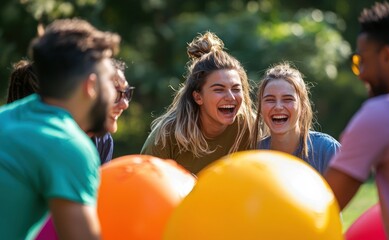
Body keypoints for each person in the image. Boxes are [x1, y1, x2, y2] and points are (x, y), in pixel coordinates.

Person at [0, 18, 120, 239]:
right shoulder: (67, 145)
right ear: (91, 86)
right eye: (110, 84)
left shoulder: (6, 118)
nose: (115, 95)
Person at [324, 2, 389, 239]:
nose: (360, 73)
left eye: (361, 61)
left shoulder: (385, 113)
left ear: (387, 56)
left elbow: (323, 204)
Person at [141, 31, 255, 175]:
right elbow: (143, 184)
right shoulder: (166, 137)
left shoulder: (250, 127)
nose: (230, 97)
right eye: (219, 90)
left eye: (236, 89)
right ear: (198, 97)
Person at [5, 58, 133, 164]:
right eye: (114, 93)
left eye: (126, 93)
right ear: (88, 88)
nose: (125, 104)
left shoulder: (102, 141)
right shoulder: (35, 142)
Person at [253, 62, 340, 174]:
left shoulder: (327, 150)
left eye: (288, 99)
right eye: (270, 100)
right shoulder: (253, 155)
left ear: (302, 105)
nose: (278, 107)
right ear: (260, 106)